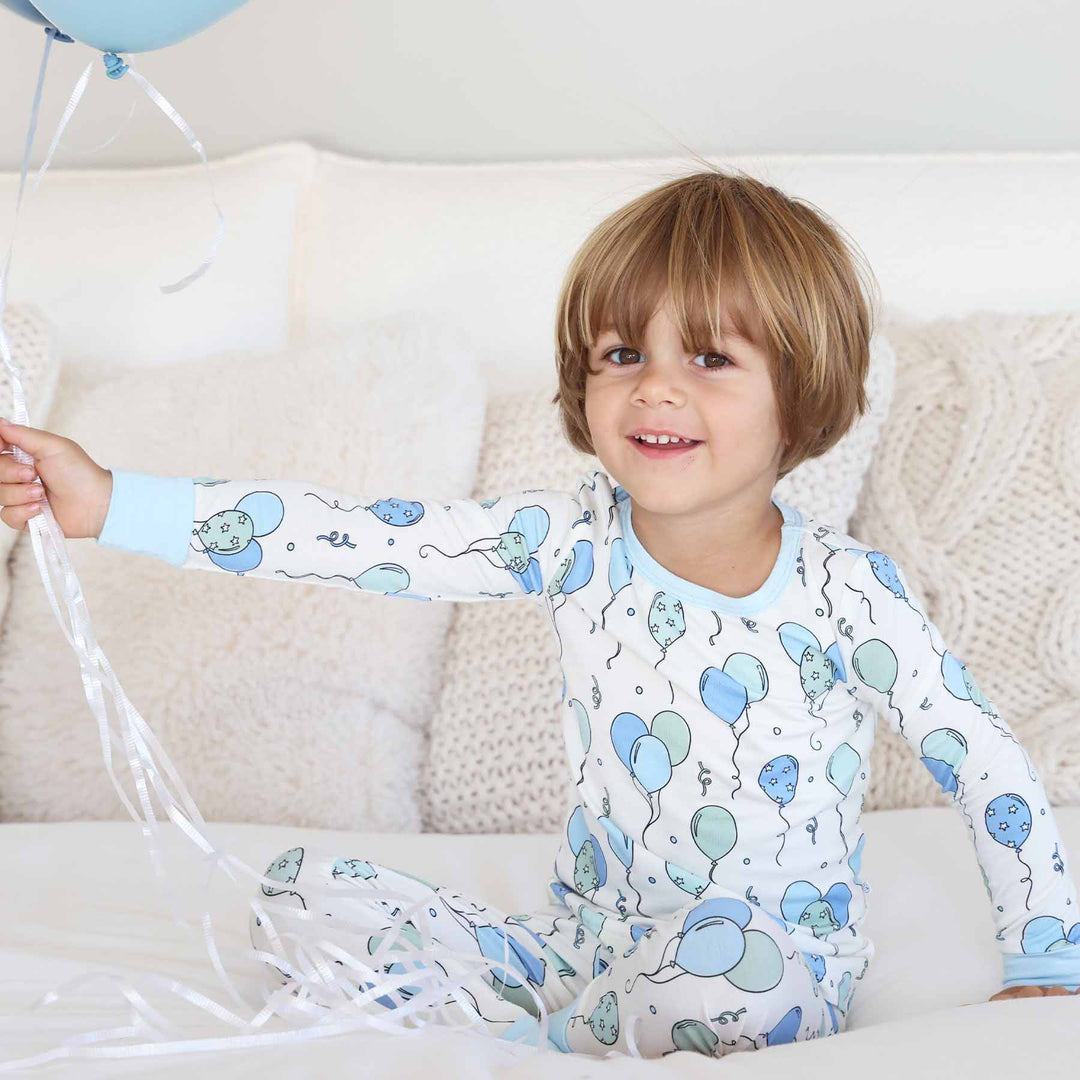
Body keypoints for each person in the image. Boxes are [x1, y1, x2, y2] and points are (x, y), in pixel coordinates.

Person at [2, 168, 1078, 1061]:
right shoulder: (566, 544)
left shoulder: (849, 595)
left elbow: (989, 770)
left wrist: (1047, 962)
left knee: (729, 982)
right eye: (624, 355)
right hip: (584, 944)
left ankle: (549, 1037)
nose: (656, 388)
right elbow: (351, 535)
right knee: (301, 895)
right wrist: (113, 503)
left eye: (710, 357)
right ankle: (564, 1022)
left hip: (758, 959)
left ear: (800, 395)